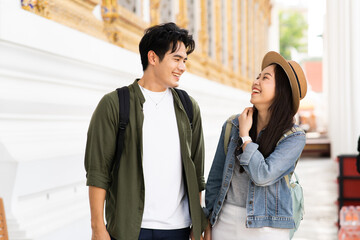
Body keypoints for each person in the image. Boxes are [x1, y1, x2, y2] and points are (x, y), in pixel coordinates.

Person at [85, 22, 207, 240]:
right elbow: (98, 172)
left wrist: (197, 224)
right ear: (153, 58)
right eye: (176, 59)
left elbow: (196, 172)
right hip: (128, 230)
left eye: (184, 61)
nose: (183, 67)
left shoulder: (189, 107)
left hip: (177, 230)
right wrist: (97, 228)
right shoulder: (115, 104)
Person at [203, 51, 308, 240]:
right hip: (225, 222)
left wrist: (245, 137)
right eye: (257, 76)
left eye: (265, 78)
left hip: (268, 228)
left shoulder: (294, 137)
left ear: (281, 91)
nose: (256, 82)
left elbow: (263, 175)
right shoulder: (232, 125)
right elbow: (215, 178)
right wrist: (207, 220)